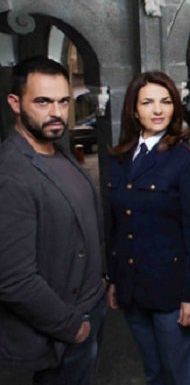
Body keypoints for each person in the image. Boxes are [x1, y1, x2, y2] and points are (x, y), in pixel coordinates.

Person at [0, 56, 106, 384]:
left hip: (90, 305)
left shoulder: (57, 150)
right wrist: (71, 327)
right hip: (63, 326)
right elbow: (13, 279)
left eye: (63, 101)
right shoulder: (11, 174)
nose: (57, 112)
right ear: (15, 103)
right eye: (43, 102)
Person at [107, 71, 190, 385]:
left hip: (172, 293)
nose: (157, 110)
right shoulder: (120, 158)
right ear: (134, 109)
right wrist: (114, 278)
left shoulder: (186, 159)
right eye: (148, 102)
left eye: (165, 102)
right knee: (154, 374)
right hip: (133, 289)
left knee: (182, 377)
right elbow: (116, 225)